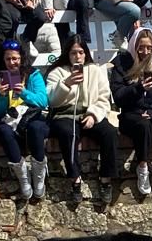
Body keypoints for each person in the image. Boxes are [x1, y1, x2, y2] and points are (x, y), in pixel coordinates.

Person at [46, 35, 119, 194]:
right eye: (73, 53)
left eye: (80, 52)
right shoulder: (56, 72)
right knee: (68, 133)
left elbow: (103, 98)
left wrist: (93, 115)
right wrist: (66, 84)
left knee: (110, 133)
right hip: (65, 115)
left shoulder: (96, 70)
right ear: (67, 54)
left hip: (90, 114)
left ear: (86, 53)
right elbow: (52, 101)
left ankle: (106, 178)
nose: (77, 56)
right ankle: (75, 178)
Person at [109, 25, 152, 197]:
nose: (145, 51)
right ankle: (142, 167)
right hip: (131, 114)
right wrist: (138, 88)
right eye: (141, 47)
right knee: (143, 125)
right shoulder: (122, 65)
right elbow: (118, 97)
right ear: (134, 45)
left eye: (149, 47)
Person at [0, 40, 50, 201]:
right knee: (2, 130)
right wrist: (1, 96)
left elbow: (43, 101)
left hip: (31, 117)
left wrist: (24, 93)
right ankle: (23, 176)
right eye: (8, 59)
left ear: (21, 58)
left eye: (15, 58)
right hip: (10, 120)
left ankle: (38, 175)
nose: (12, 63)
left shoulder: (33, 74)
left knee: (37, 128)